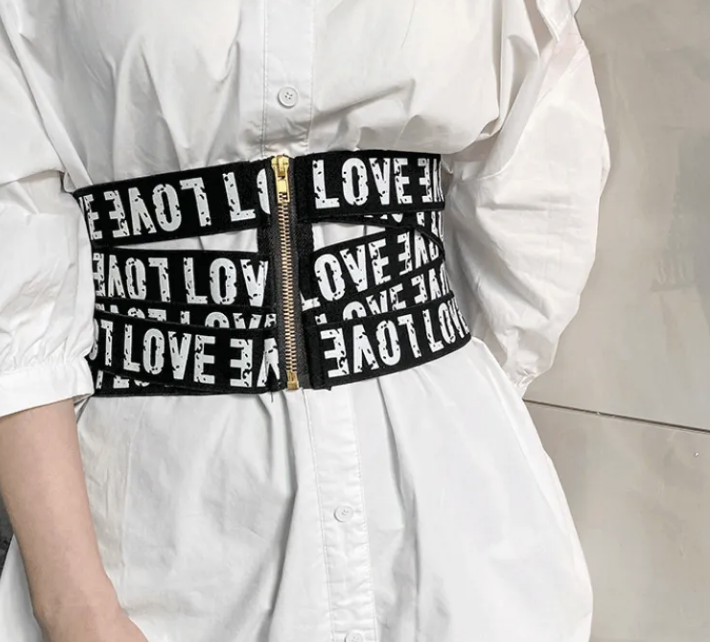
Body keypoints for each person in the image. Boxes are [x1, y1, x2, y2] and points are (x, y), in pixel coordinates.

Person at [0, 1, 610, 641]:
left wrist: (427, 388)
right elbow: (16, 275)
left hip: (455, 520)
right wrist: (76, 606)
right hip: (156, 540)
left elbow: (536, 207)